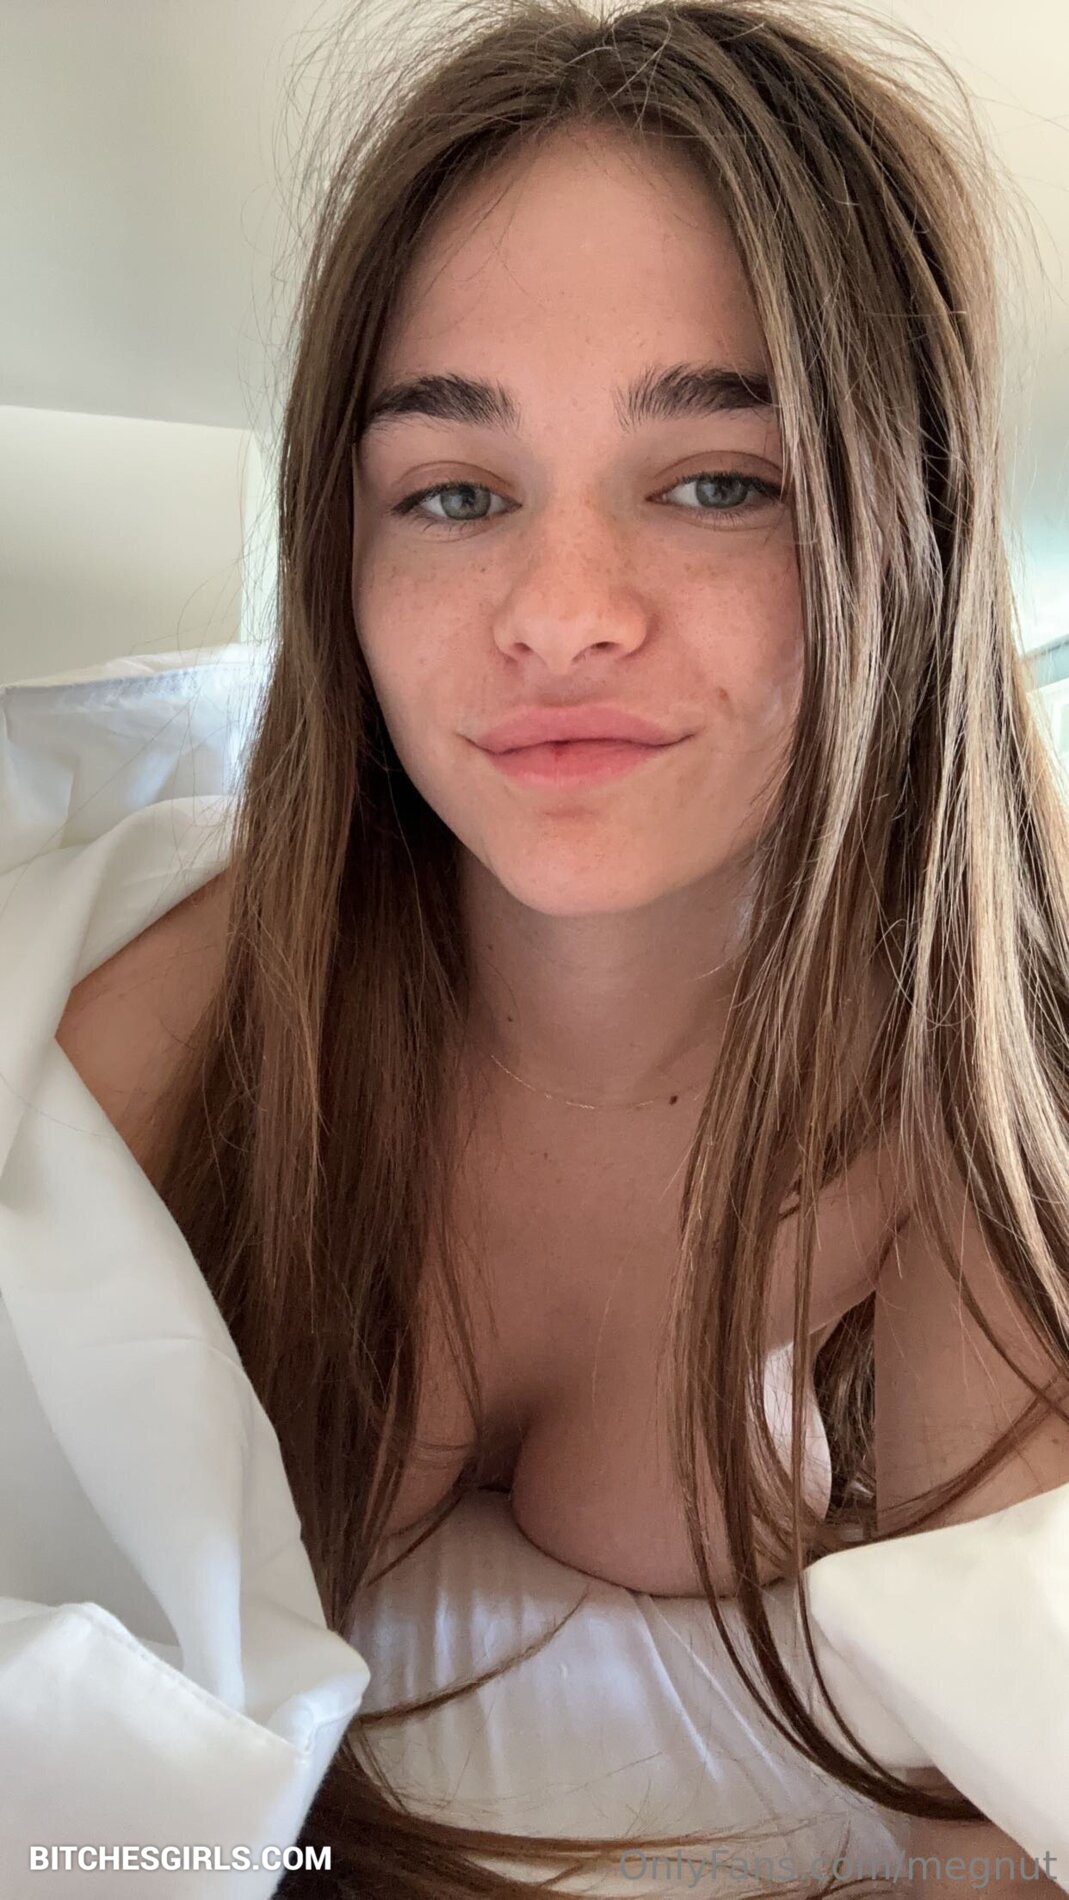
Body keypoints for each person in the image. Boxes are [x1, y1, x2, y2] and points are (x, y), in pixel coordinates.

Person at [5, 1, 1069, 1895]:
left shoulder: (966, 1111)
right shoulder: (161, 1033)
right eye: (455, 494)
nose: (559, 614)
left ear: (904, 535)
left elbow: (1006, 1795)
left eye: (718, 481)